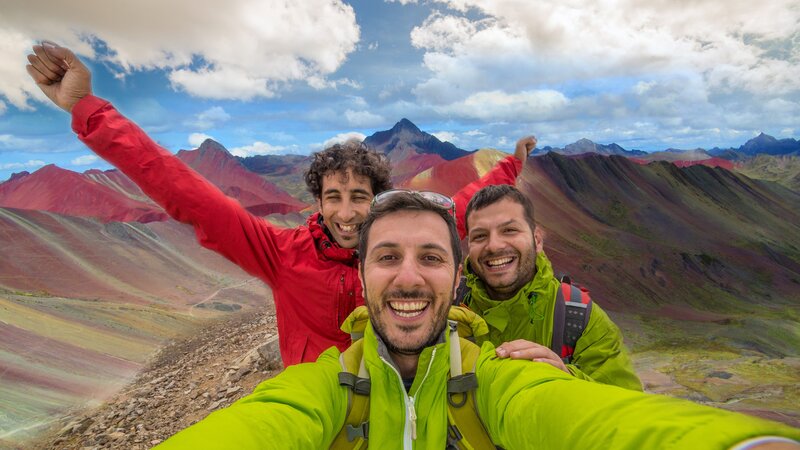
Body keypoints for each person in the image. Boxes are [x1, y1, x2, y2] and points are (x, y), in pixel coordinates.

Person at [153, 191, 799, 449]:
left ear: (452, 275)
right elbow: (270, 420)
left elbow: (573, 415)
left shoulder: (498, 368)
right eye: (388, 258)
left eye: (430, 257)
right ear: (363, 277)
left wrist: (731, 443)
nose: (408, 276)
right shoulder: (327, 379)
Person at [25, 42, 534, 366]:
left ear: (377, 201)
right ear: (318, 201)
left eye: (360, 197)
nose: (347, 213)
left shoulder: (397, 249)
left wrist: (510, 166)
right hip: (317, 414)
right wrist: (86, 109)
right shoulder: (281, 253)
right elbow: (185, 192)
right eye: (333, 197)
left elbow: (462, 205)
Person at [460, 184, 643, 390]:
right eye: (480, 236)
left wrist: (569, 383)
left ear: (537, 240)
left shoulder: (581, 318)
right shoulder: (449, 311)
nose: (493, 245)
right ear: (469, 247)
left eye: (509, 230)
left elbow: (626, 405)